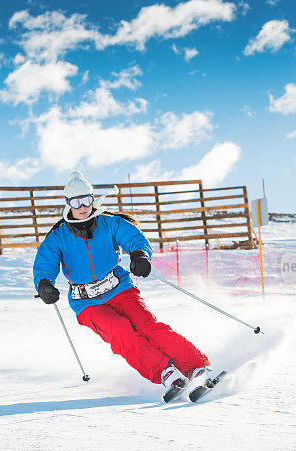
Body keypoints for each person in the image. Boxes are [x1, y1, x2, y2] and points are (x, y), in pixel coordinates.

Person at [33, 170, 214, 402]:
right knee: (119, 330)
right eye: (76, 202)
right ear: (68, 204)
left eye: (86, 200)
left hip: (119, 288)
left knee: (146, 325)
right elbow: (44, 264)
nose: (82, 207)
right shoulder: (58, 236)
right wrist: (44, 284)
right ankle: (165, 373)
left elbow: (134, 238)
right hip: (86, 302)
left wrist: (140, 255)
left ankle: (197, 367)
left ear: (93, 199)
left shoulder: (109, 223)